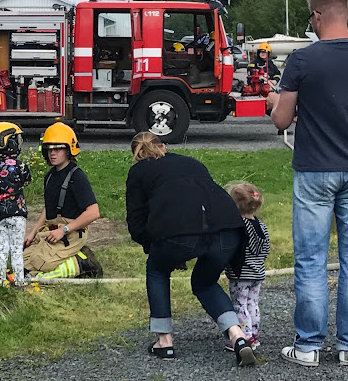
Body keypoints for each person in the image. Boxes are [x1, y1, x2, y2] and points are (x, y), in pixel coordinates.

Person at [266, 0, 348, 367]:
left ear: (318, 16)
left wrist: (276, 101)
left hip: (314, 172)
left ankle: (308, 346)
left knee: (311, 259)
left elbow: (281, 119)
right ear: (346, 14)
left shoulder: (302, 61)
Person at [125, 132, 256, 366]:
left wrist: (159, 247)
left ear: (135, 155)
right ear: (163, 146)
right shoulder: (191, 162)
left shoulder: (138, 172)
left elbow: (136, 223)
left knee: (156, 270)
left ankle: (164, 342)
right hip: (228, 228)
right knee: (205, 283)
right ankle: (238, 337)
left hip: (177, 231)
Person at [22, 122, 101, 279]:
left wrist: (63, 231)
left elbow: (93, 212)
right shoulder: (50, 176)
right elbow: (49, 208)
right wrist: (32, 233)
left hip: (69, 233)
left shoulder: (77, 177)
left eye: (58, 149)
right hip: (51, 231)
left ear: (69, 150)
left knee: (39, 265)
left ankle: (82, 263)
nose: (53, 153)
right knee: (22, 261)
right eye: (49, 149)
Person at [223, 182, 270, 352]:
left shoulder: (238, 226)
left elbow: (232, 248)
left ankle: (244, 336)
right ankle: (254, 334)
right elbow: (266, 249)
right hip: (257, 272)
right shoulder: (261, 226)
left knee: (239, 304)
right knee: (253, 303)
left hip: (240, 273)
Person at [0, 122, 31, 287]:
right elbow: (26, 180)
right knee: (16, 249)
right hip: (17, 212)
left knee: (2, 248)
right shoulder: (21, 166)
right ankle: (19, 280)